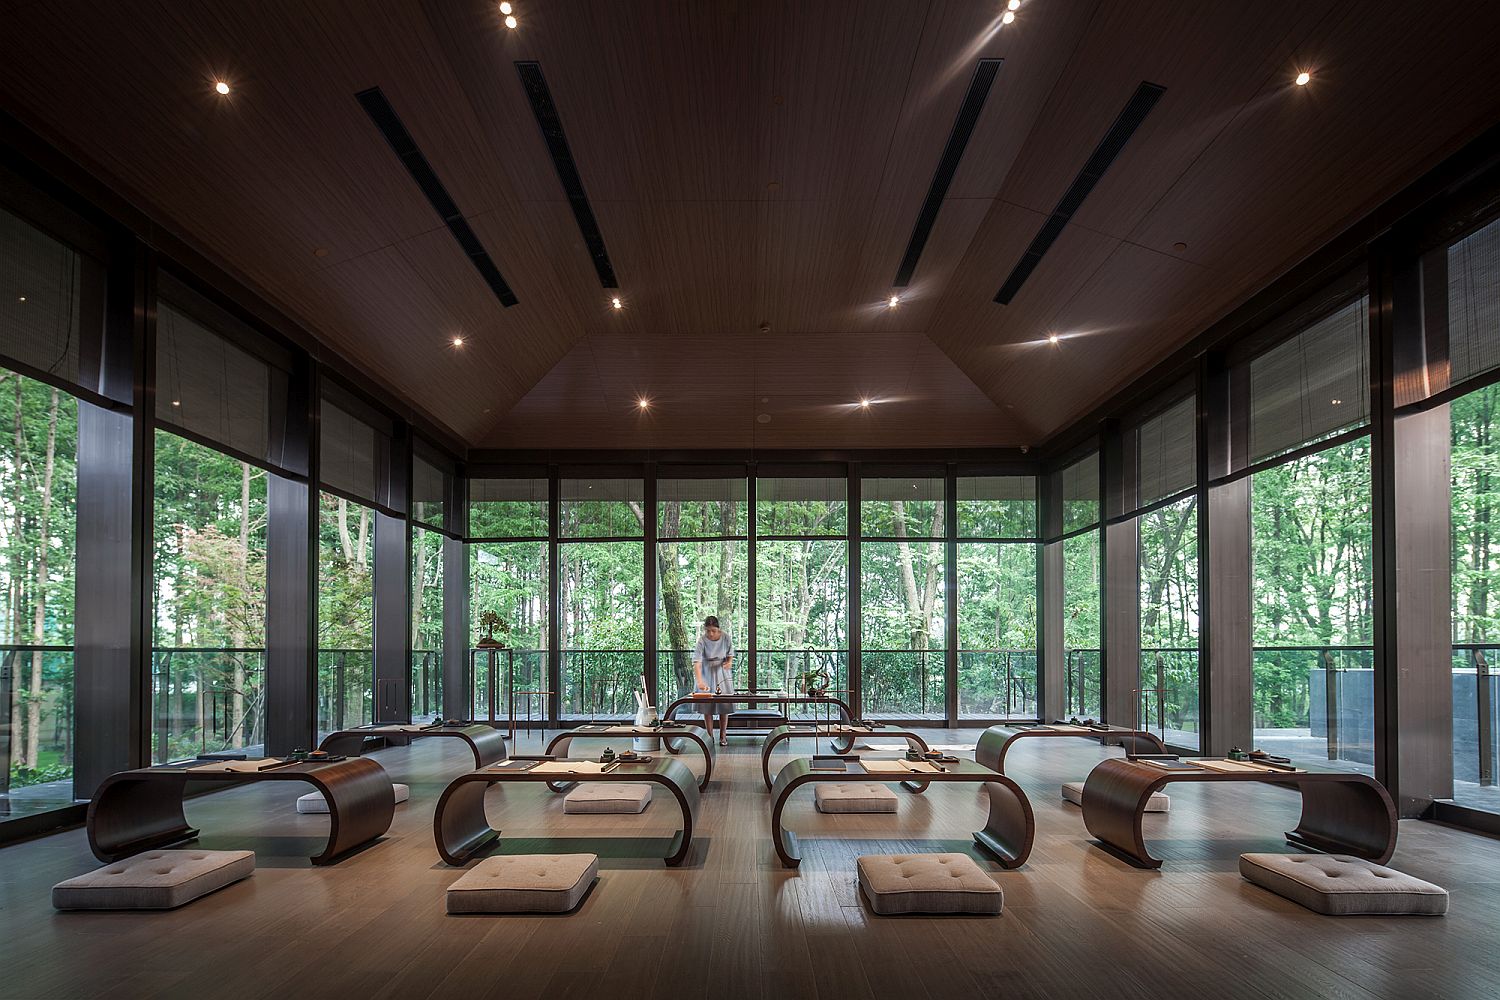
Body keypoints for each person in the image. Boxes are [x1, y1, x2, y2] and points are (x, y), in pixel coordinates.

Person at [692, 616, 736, 746]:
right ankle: (710, 736)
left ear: (718, 629)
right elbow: (697, 662)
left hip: (721, 672)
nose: (710, 633)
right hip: (706, 671)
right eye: (708, 631)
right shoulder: (702, 640)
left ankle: (723, 735)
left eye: (713, 630)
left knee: (724, 705)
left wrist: (729, 662)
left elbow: (730, 654)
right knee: (707, 707)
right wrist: (700, 681)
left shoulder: (726, 637)